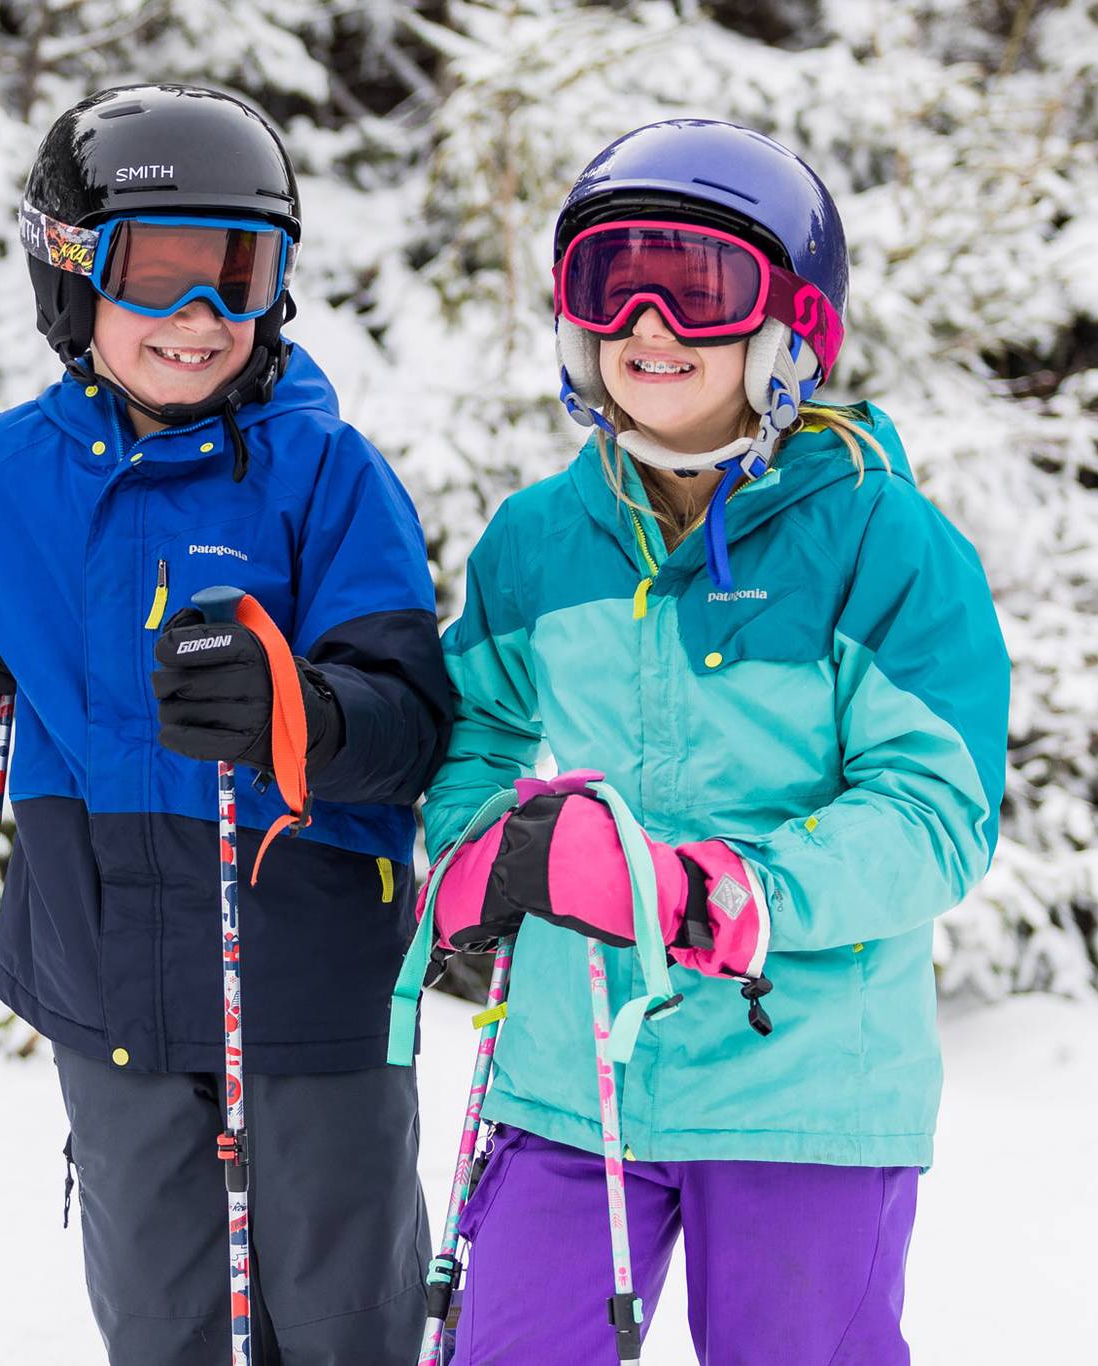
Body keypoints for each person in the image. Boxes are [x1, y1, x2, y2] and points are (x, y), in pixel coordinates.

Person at [414, 120, 1009, 1364]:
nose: (648, 323)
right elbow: (477, 727)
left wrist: (723, 894)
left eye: (699, 287)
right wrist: (482, 850)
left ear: (792, 323)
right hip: (573, 1077)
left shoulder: (884, 541)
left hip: (803, 1084)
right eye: (610, 282)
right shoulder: (538, 539)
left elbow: (932, 809)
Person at [0, 83, 449, 1365]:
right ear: (69, 274)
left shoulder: (327, 476)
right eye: (156, 275)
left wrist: (300, 714)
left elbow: (414, 723)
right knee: (163, 1331)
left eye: (239, 272)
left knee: (342, 1325)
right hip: (109, 992)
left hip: (308, 988)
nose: (201, 316)